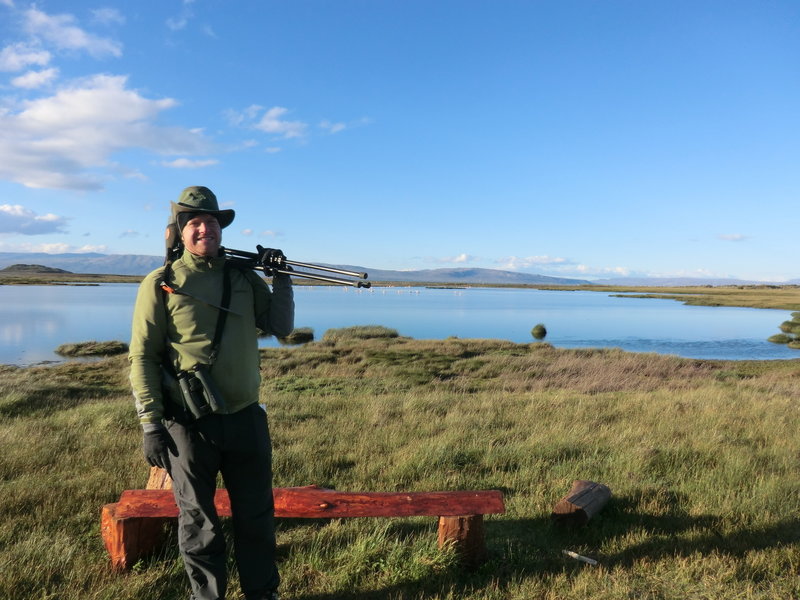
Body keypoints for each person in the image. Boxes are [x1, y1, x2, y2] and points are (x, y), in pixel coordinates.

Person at [128, 186, 294, 600]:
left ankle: (263, 594)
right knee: (199, 522)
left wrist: (282, 276)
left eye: (212, 222)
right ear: (181, 231)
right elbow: (143, 356)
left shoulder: (242, 276)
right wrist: (150, 422)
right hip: (188, 424)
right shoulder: (162, 283)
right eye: (196, 223)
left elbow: (281, 326)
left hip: (245, 417)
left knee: (256, 517)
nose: (205, 229)